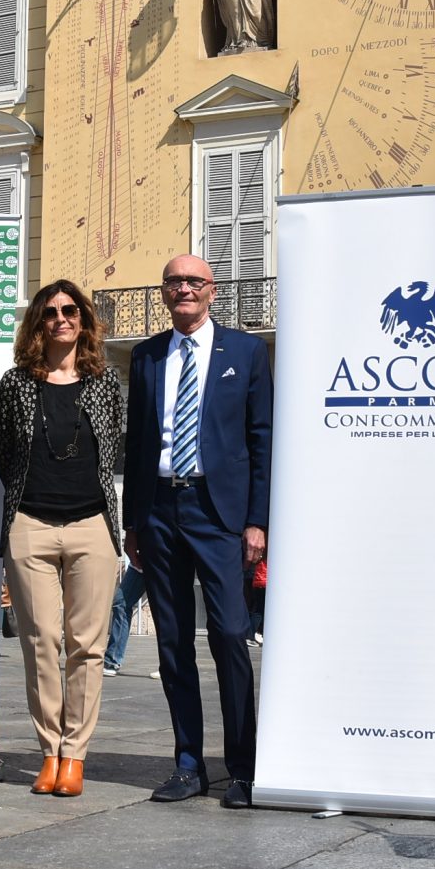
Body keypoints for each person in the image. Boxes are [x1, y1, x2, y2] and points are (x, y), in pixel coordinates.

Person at [124, 254, 273, 810]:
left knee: (230, 634)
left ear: (212, 290)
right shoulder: (146, 356)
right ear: (164, 293)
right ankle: (188, 764)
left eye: (193, 281)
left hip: (219, 511)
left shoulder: (246, 352)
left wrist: (257, 520)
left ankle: (243, 768)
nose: (183, 288)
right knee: (172, 641)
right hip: (160, 509)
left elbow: (262, 440)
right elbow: (138, 443)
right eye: (173, 281)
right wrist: (133, 521)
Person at [0, 280, 126, 799]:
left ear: (83, 320)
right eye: (50, 312)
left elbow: (113, 449)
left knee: (88, 647)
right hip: (30, 525)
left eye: (70, 311)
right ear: (38, 323)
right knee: (41, 642)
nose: (61, 319)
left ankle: (75, 756)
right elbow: (4, 453)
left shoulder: (104, 381)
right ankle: (49, 750)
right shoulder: (15, 383)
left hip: (92, 524)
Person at [103, 555, 148, 677]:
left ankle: (171, 664)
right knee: (121, 604)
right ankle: (112, 660)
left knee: (164, 610)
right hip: (140, 560)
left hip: (159, 558)